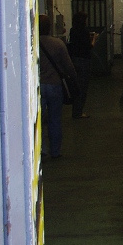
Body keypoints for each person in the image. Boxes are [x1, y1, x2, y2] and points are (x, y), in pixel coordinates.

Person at [39, 13, 76, 159]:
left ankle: (41, 149)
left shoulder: (31, 44)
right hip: (55, 85)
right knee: (55, 119)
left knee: (39, 120)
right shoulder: (58, 44)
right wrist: (74, 79)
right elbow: (68, 66)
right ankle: (55, 151)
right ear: (49, 28)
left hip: (39, 86)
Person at [66, 11, 95, 119]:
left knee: (76, 86)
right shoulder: (85, 31)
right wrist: (94, 39)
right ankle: (78, 112)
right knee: (83, 87)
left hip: (74, 60)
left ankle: (75, 110)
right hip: (84, 60)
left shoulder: (72, 30)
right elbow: (89, 46)